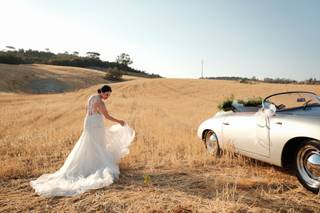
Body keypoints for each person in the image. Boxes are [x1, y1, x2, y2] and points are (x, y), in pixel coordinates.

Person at [30, 85, 135, 197]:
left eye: (109, 95)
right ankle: (95, 166)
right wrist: (119, 121)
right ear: (102, 92)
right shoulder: (100, 102)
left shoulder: (91, 97)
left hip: (89, 122)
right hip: (96, 125)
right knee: (97, 145)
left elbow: (89, 111)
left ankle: (88, 164)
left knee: (89, 144)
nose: (108, 96)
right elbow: (107, 116)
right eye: (106, 94)